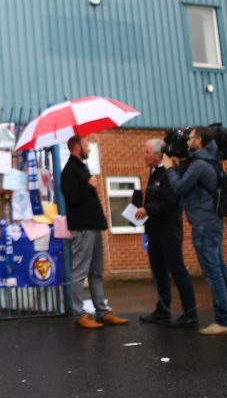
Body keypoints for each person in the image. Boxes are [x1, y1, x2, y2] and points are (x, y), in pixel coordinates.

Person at [163, 125, 227, 336]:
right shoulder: (212, 160)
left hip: (204, 224)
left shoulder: (199, 164)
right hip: (213, 222)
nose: (187, 142)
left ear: (199, 141)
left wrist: (170, 168)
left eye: (190, 139)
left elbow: (180, 188)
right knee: (221, 271)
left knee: (214, 273)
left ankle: (223, 322)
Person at [60, 135, 129, 329]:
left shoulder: (82, 167)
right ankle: (79, 313)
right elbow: (72, 198)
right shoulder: (69, 171)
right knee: (79, 272)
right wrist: (90, 186)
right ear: (76, 147)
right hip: (82, 228)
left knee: (96, 272)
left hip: (93, 226)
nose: (89, 149)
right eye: (86, 145)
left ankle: (102, 311)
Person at [134, 139, 198, 328]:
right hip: (154, 232)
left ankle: (190, 313)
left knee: (178, 272)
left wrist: (148, 209)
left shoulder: (170, 173)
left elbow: (170, 203)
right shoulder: (153, 173)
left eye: (146, 152)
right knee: (159, 273)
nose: (144, 155)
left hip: (169, 232)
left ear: (157, 154)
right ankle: (162, 310)